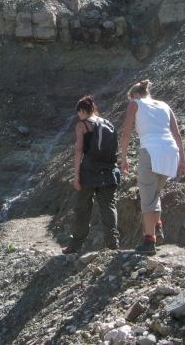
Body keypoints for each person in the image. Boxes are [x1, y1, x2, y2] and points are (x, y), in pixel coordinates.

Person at [120, 79, 185, 255]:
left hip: (150, 151)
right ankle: (157, 227)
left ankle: (149, 241)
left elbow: (126, 133)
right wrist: (182, 161)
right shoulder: (165, 105)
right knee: (154, 192)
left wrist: (124, 157)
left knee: (147, 197)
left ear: (135, 95)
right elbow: (176, 134)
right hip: (171, 152)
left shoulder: (135, 104)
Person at [62, 95, 121, 254]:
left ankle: (75, 245)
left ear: (82, 110)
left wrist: (76, 174)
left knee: (82, 208)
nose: (78, 116)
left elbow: (79, 149)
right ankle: (112, 241)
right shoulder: (107, 123)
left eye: (78, 113)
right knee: (108, 206)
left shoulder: (83, 125)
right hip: (109, 171)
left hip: (89, 171)